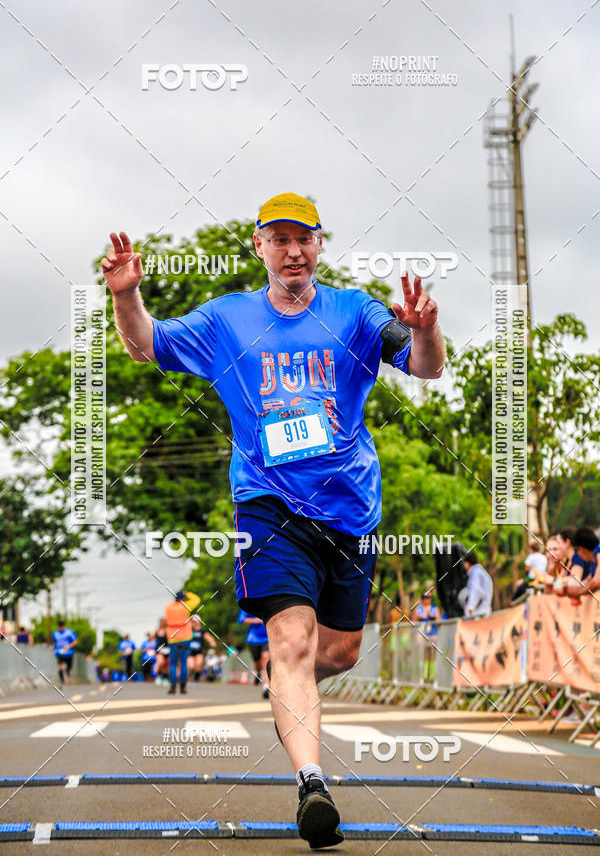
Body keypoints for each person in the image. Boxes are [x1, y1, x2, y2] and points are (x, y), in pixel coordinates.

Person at [102, 192, 445, 849]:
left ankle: (288, 691)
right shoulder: (227, 320)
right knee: (291, 638)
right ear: (258, 246)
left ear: (320, 246)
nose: (293, 251)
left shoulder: (355, 312)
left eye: (304, 239)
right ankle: (311, 783)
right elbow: (146, 345)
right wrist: (125, 296)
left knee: (335, 652)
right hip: (267, 504)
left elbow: (425, 366)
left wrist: (426, 329)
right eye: (278, 239)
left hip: (350, 509)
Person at [165, 591, 193, 695]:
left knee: (173, 663)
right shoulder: (186, 606)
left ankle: (172, 687)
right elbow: (196, 599)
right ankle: (183, 687)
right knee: (183, 663)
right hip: (185, 637)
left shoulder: (168, 607)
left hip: (172, 638)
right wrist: (187, 593)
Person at [238, 607, 270, 698]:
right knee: (257, 662)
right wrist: (256, 620)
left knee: (266, 659)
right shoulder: (250, 602)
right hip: (253, 639)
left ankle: (266, 686)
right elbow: (241, 620)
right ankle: (258, 673)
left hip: (267, 637)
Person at [563, 527, 599, 599]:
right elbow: (589, 581)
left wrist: (579, 593)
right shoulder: (593, 562)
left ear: (581, 549)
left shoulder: (598, 552)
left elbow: (596, 581)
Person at [462, 552, 493, 618]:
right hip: (484, 612)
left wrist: (470, 607)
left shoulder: (475, 573)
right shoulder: (481, 572)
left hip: (479, 615)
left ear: (467, 563)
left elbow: (475, 590)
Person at [188, 615, 217, 682]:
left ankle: (196, 679)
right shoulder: (189, 630)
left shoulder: (202, 630)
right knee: (191, 666)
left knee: (198, 665)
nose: (193, 623)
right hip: (190, 651)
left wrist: (212, 641)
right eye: (192, 621)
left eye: (194, 621)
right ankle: (191, 677)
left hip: (199, 651)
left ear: (198, 622)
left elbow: (208, 636)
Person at [52, 619, 78, 688]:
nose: (61, 628)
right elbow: (54, 642)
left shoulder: (70, 632)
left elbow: (75, 641)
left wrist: (69, 646)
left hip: (69, 652)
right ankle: (62, 681)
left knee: (69, 668)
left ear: (64, 626)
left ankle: (68, 674)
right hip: (59, 652)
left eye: (62, 626)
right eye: (60, 626)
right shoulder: (55, 633)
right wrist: (53, 647)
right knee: (60, 667)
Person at [154, 617, 170, 685]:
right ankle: (158, 676)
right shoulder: (157, 631)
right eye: (161, 622)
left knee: (166, 665)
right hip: (159, 649)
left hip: (167, 649)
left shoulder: (168, 630)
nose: (162, 623)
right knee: (161, 662)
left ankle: (165, 678)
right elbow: (154, 640)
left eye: (163, 622)